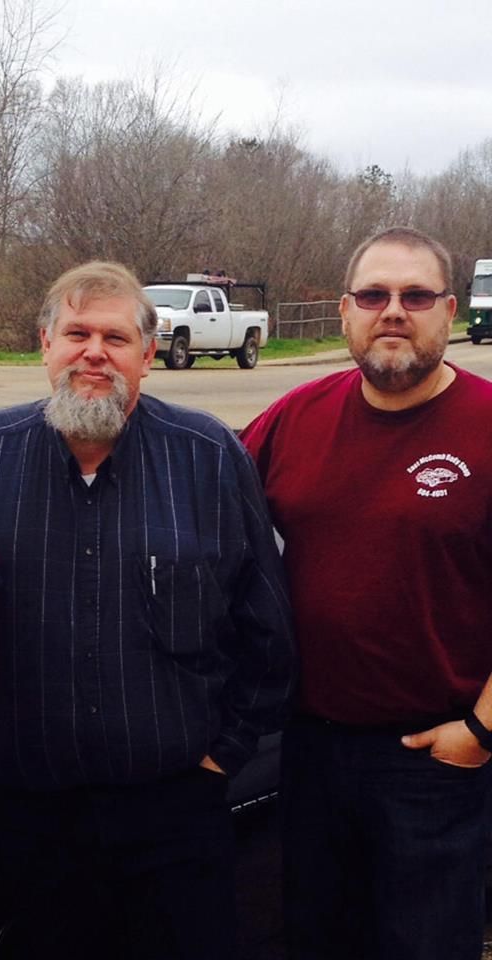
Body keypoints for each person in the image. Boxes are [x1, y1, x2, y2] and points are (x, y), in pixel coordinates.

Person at [0, 260, 295, 960]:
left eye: (115, 338)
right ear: (45, 344)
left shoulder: (208, 457)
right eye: (76, 333)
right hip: (32, 814)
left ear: (148, 355)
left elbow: (267, 627)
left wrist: (224, 756)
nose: (94, 352)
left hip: (176, 814)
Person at [241, 226, 492, 960]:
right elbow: (205, 519)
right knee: (316, 941)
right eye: (375, 296)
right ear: (345, 312)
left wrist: (479, 733)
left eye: (415, 296)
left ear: (450, 311)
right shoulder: (293, 420)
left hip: (435, 757)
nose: (394, 311)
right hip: (310, 751)